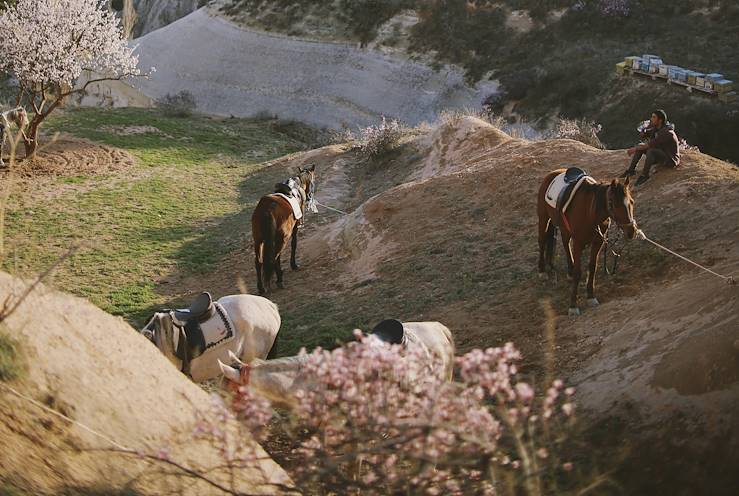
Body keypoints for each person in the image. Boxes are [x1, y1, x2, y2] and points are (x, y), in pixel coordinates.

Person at [622, 109, 680, 186]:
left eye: (654, 117)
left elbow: (650, 145)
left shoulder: (667, 132)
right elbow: (646, 135)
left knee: (650, 151)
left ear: (660, 120)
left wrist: (635, 149)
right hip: (661, 153)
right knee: (641, 147)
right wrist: (643, 130)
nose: (651, 119)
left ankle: (644, 175)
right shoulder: (657, 128)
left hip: (670, 159)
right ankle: (631, 171)